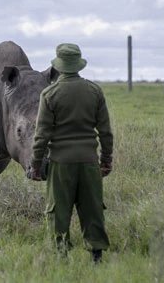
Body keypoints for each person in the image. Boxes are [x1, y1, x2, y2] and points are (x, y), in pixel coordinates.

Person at [28, 43, 113, 263]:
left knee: (58, 212)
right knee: (92, 209)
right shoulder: (95, 91)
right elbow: (105, 132)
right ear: (78, 65)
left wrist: (35, 164)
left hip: (60, 163)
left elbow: (42, 134)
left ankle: (61, 256)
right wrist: (106, 161)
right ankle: (96, 256)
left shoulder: (49, 93)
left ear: (59, 65)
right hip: (89, 162)